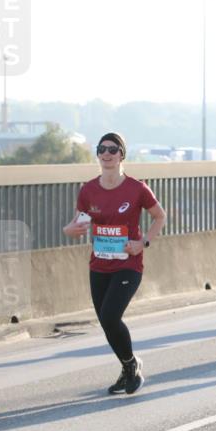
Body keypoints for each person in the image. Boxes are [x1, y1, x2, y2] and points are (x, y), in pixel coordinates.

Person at [62, 132, 166, 394]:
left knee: (110, 315)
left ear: (122, 155)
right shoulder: (88, 190)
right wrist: (70, 230)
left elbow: (159, 217)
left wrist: (142, 243)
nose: (106, 154)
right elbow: (79, 222)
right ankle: (127, 367)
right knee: (106, 322)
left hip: (128, 264)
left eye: (112, 149)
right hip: (99, 265)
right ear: (98, 154)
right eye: (102, 149)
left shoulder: (136, 188)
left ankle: (131, 366)